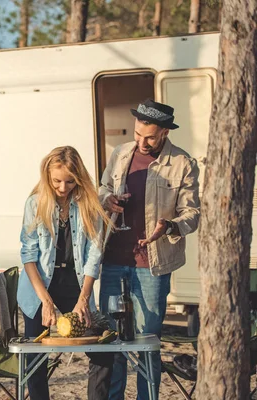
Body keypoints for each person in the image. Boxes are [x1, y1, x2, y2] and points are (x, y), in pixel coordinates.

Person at [98, 99, 200, 400]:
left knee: (146, 343)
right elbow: (103, 188)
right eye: (138, 134)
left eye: (150, 137)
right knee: (112, 341)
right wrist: (107, 200)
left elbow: (193, 215)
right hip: (113, 260)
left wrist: (168, 226)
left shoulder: (183, 163)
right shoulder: (120, 153)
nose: (141, 142)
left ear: (165, 133)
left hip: (152, 267)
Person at [18, 146, 114, 400]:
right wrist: (45, 302)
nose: (63, 187)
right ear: (47, 177)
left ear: (79, 177)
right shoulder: (34, 204)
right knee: (35, 354)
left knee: (101, 350)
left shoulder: (88, 204)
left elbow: (95, 254)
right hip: (39, 285)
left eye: (70, 180)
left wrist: (84, 298)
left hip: (76, 282)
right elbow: (28, 256)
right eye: (57, 180)